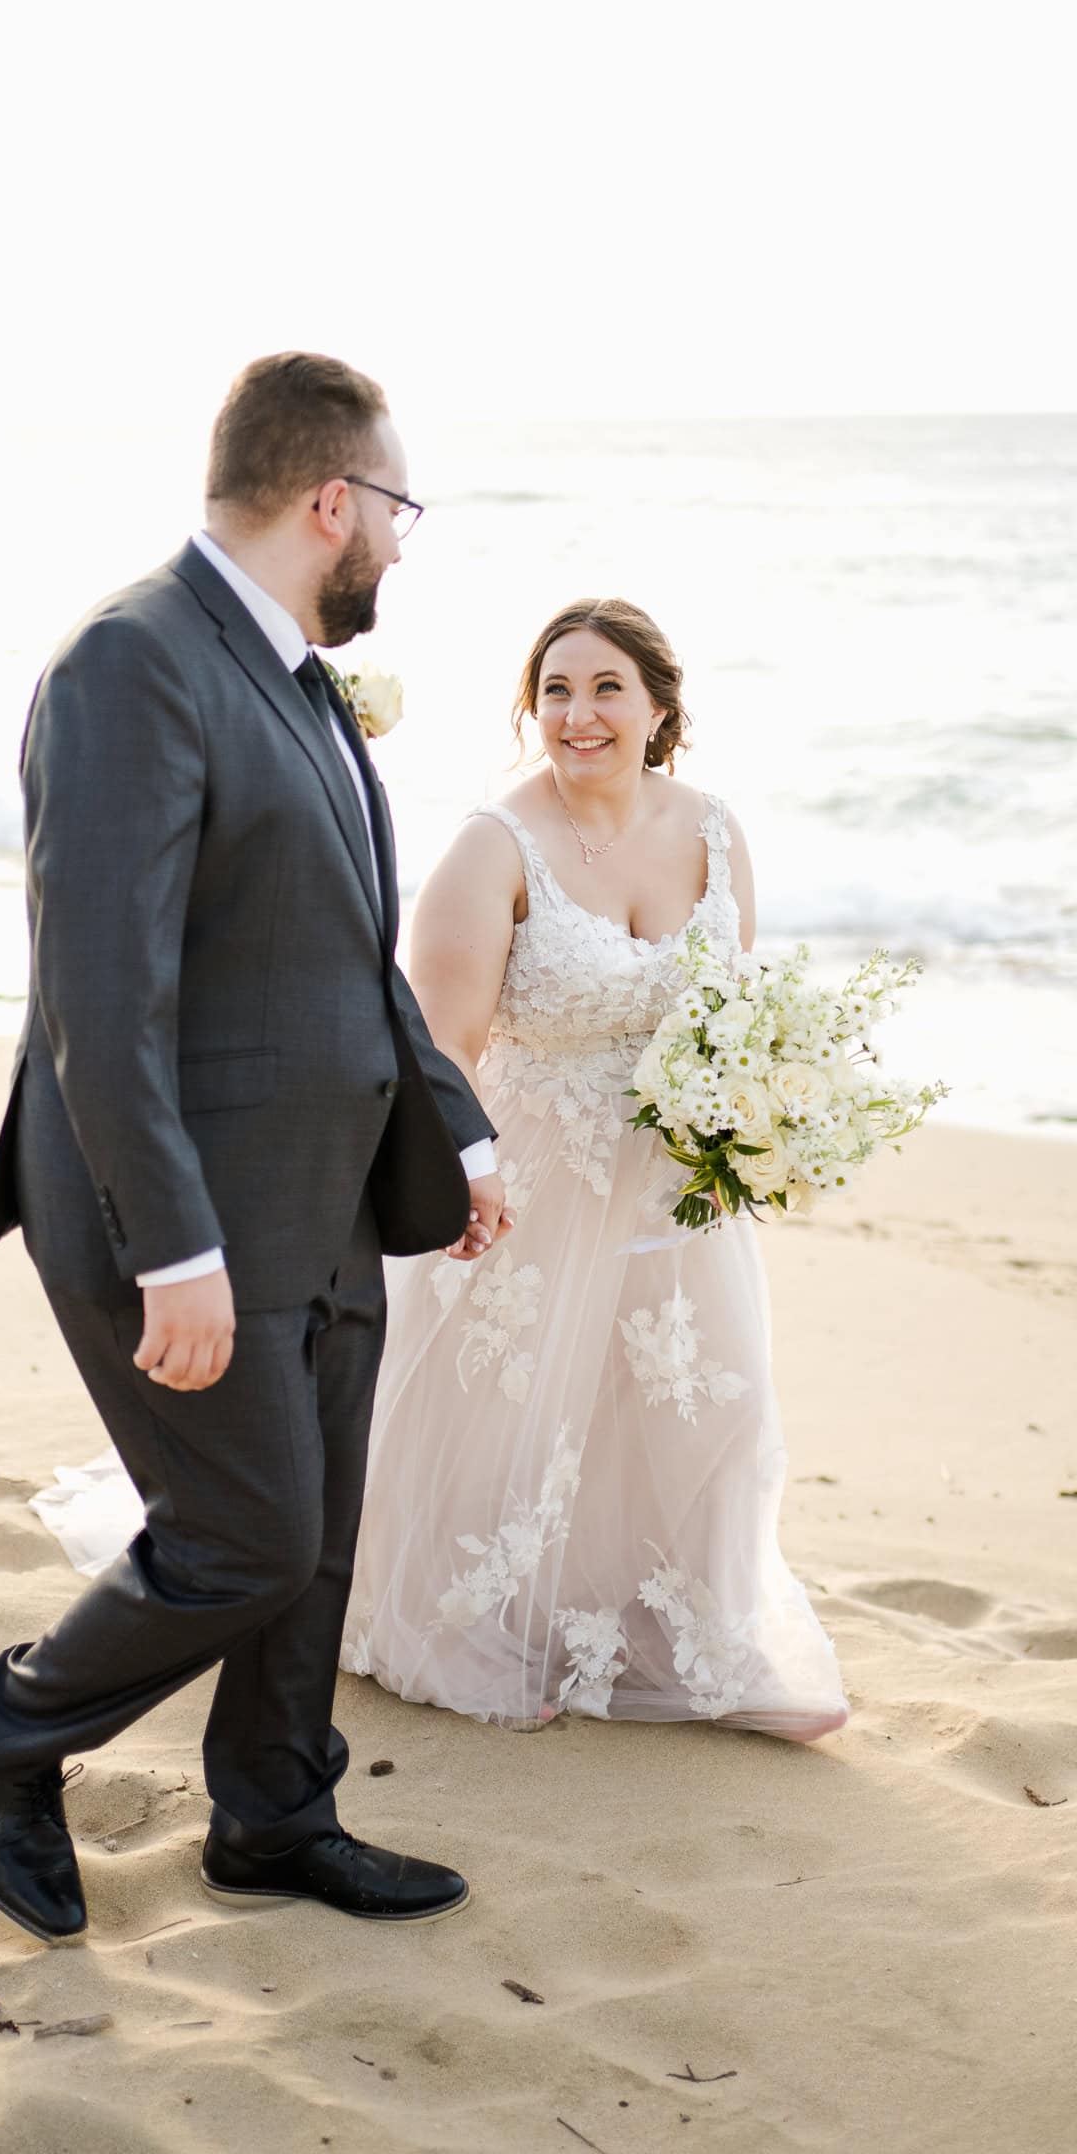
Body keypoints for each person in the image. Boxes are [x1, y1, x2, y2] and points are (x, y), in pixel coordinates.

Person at [0, 352, 507, 1945]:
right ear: (333, 500)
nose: (400, 538)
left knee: (314, 1542)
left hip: (324, 1195)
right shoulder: (134, 662)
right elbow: (102, 996)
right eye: (396, 506)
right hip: (175, 1207)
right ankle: (5, 1735)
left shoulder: (300, 681)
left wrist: (453, 1136)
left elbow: (345, 961)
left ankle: (272, 1813)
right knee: (242, 1534)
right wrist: (169, 1246)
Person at [341, 599, 849, 1736]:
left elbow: (737, 1017)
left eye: (607, 687)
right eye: (556, 690)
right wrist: (468, 1177)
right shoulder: (494, 845)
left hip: (679, 1187)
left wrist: (765, 1117)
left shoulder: (715, 831)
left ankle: (692, 1629)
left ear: (659, 708)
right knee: (509, 1407)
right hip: (533, 1182)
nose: (579, 713)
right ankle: (471, 1607)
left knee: (699, 1399)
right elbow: (442, 1047)